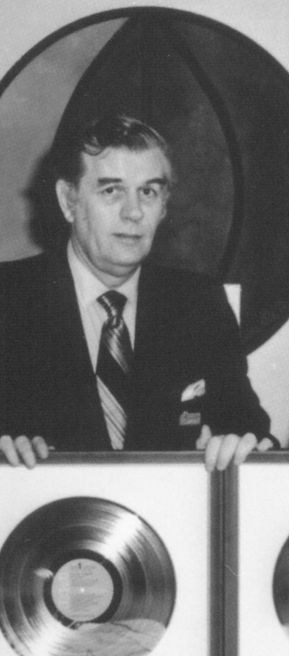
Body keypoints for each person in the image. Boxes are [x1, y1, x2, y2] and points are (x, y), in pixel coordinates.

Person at [0, 113, 272, 470]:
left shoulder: (200, 303)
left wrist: (238, 445)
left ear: (164, 206)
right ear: (68, 200)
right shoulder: (8, 299)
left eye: (148, 191)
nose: (133, 212)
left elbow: (251, 431)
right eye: (111, 190)